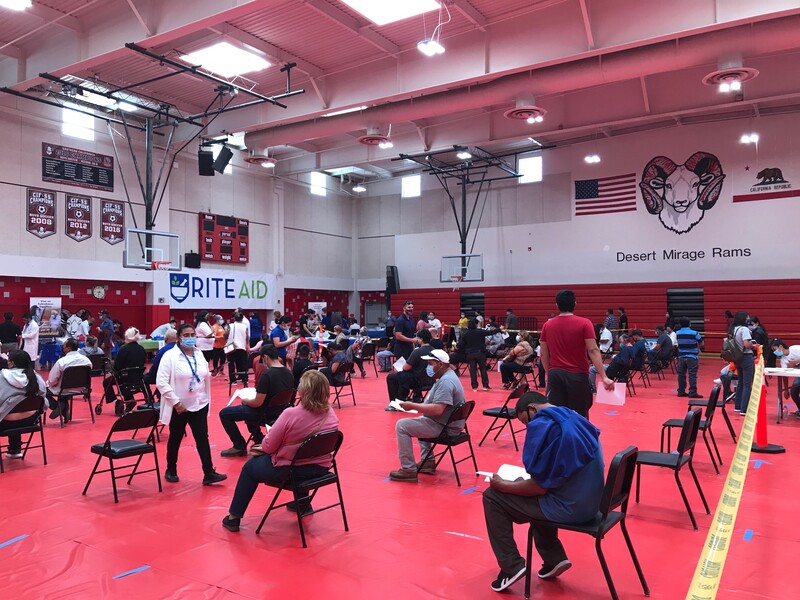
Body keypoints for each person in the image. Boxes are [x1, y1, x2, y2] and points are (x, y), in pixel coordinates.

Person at [482, 392, 604, 593]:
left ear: (532, 409)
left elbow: (539, 487)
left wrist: (502, 485)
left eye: (525, 421)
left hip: (571, 509)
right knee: (526, 489)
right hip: (593, 504)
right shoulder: (574, 416)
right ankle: (553, 558)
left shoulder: (546, 426)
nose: (528, 427)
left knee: (492, 497)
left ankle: (511, 566)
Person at [222, 370, 338, 531]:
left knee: (249, 468)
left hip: (291, 471)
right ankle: (303, 503)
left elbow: (269, 447)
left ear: (303, 391)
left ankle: (233, 517)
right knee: (304, 454)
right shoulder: (330, 413)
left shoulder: (291, 414)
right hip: (321, 468)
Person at [156, 323, 226, 486]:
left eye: (192, 335)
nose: (190, 338)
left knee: (202, 438)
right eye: (186, 335)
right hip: (179, 407)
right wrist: (176, 403)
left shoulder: (199, 354)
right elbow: (161, 382)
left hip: (199, 403)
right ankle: (171, 469)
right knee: (175, 438)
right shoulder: (170, 356)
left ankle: (208, 473)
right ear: (179, 338)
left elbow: (203, 374)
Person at [388, 349, 465, 482]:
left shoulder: (446, 382)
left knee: (402, 426)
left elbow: (437, 410)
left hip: (445, 427)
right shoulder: (448, 376)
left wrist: (413, 406)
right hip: (447, 423)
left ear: (440, 364)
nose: (428, 367)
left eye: (430, 364)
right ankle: (427, 461)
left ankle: (408, 469)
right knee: (421, 420)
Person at [539, 290, 613, 419]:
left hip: (555, 375)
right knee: (579, 415)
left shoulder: (547, 325)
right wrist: (604, 376)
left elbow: (543, 353)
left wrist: (548, 372)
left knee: (556, 415)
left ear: (557, 305)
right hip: (577, 376)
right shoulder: (585, 323)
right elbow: (593, 350)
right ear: (575, 303)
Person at [219, 344, 295, 458]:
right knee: (247, 410)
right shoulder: (289, 373)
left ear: (265, 357)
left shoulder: (267, 375)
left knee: (224, 413)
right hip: (280, 410)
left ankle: (239, 446)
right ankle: (258, 438)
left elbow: (257, 403)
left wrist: (245, 401)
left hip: (263, 412)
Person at [0, 350, 46, 460]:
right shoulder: (36, 377)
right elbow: (43, 397)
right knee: (16, 407)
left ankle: (14, 449)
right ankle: (15, 449)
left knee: (9, 409)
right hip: (30, 420)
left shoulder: (2, 377)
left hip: (5, 423)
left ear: (11, 363)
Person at [385, 328, 435, 410]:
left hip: (418, 382)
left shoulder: (417, 352)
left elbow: (405, 367)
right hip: (431, 380)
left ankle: (396, 403)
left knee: (392, 377)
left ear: (421, 339)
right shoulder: (434, 350)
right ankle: (416, 397)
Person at [102, 327, 147, 415]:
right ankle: (129, 399)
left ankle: (116, 401)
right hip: (138, 377)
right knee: (124, 376)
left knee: (107, 382)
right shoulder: (142, 349)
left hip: (125, 377)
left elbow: (117, 366)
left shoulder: (124, 349)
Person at [45, 337, 91, 421]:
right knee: (63, 389)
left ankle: (59, 408)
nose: (62, 348)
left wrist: (49, 384)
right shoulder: (87, 360)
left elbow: (52, 380)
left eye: (64, 346)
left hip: (63, 389)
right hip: (81, 389)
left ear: (68, 349)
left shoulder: (62, 361)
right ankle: (63, 408)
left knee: (42, 391)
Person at [458, 318, 499, 391]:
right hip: (480, 353)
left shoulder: (465, 333)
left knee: (473, 370)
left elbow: (460, 345)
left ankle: (474, 387)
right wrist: (499, 329)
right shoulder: (480, 331)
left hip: (470, 354)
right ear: (476, 324)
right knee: (483, 369)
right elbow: (490, 332)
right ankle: (485, 386)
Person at [731, 311, 756, 415]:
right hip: (746, 356)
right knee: (747, 383)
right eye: (747, 318)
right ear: (743, 319)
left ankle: (738, 406)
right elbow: (746, 344)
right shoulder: (744, 329)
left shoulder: (733, 329)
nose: (748, 320)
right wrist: (753, 345)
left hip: (737, 358)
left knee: (740, 382)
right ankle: (744, 409)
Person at [770, 338, 800, 417]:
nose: (775, 352)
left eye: (775, 349)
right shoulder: (783, 359)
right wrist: (786, 389)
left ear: (780, 346)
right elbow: (784, 374)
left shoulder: (795, 349)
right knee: (794, 391)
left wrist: (798, 360)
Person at [675, 316, 703, 399]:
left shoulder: (677, 333)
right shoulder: (695, 333)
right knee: (692, 374)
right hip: (692, 356)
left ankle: (681, 391)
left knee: (681, 375)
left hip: (681, 356)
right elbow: (701, 343)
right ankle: (692, 392)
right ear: (689, 324)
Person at [227, 311, 251, 385]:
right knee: (243, 363)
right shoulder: (245, 327)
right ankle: (244, 378)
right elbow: (247, 337)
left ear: (234, 318)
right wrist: (247, 345)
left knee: (231, 364)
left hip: (232, 347)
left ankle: (233, 380)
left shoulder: (230, 326)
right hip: (242, 347)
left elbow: (225, 335)